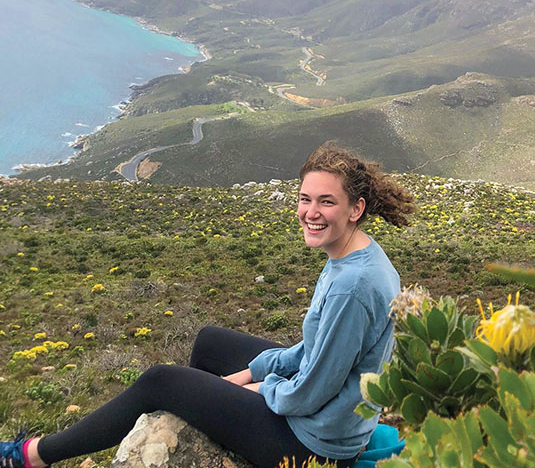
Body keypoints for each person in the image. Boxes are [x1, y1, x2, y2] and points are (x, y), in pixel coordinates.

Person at [0, 143, 415, 468]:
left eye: (327, 201)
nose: (311, 212)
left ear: (356, 208)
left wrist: (255, 387)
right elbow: (314, 352)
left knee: (161, 381)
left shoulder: (353, 285)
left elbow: (311, 392)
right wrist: (249, 373)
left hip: (314, 447)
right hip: (327, 416)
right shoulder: (354, 254)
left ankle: (32, 456)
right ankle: (204, 421)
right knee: (210, 343)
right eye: (305, 199)